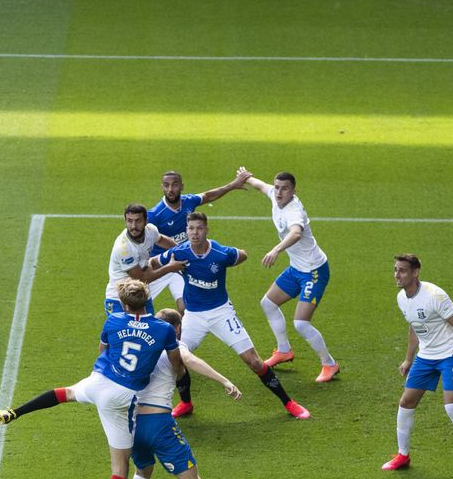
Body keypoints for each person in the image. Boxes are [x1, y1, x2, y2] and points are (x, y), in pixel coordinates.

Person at [0, 278, 183, 479]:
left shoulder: (113, 321)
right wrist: (175, 375)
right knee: (120, 467)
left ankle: (12, 412)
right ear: (146, 299)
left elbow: (103, 352)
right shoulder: (164, 329)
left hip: (98, 381)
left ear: (125, 303)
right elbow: (175, 362)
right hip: (122, 396)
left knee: (64, 393)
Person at [158, 212, 311, 420]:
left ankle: (289, 403)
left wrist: (230, 262)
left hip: (221, 313)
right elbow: (153, 264)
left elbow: (242, 254)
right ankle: (186, 403)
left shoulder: (220, 254)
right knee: (176, 360)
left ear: (207, 229)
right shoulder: (180, 252)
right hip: (193, 316)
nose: (194, 233)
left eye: (199, 228)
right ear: (186, 230)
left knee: (254, 362)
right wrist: (168, 267)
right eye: (191, 228)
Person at [123, 308, 242, 479]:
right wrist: (224, 381)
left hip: (133, 424)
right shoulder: (174, 345)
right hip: (159, 423)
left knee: (142, 471)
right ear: (177, 329)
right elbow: (190, 361)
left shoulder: (139, 343)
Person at [148, 169, 252, 418]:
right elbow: (150, 241)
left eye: (175, 185)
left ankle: (179, 353)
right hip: (166, 263)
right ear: (162, 187)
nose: (171, 189)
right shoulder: (154, 214)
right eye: (166, 185)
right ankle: (152, 348)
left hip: (186, 265)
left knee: (184, 306)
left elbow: (209, 195)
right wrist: (173, 253)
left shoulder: (190, 203)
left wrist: (234, 184)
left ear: (181, 186)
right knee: (140, 300)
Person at [384, 254, 453, 479]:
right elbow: (414, 327)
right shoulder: (402, 298)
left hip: (450, 354)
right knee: (406, 402)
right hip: (426, 356)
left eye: (402, 271)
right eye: (395, 270)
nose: (397, 275)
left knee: (452, 407)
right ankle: (402, 455)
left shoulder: (435, 296)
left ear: (415, 272)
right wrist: (409, 359)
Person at [240, 168, 339, 383]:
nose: (278, 192)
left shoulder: (294, 211)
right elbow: (260, 186)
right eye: (277, 187)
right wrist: (247, 178)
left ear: (294, 191)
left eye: (284, 189)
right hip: (297, 268)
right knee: (268, 303)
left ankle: (329, 364)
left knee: (301, 323)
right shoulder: (275, 197)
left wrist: (276, 250)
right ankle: (284, 350)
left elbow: (296, 232)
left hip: (314, 271)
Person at [103, 204, 185, 315]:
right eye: (129, 221)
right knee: (122, 332)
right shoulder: (123, 248)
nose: (133, 226)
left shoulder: (150, 230)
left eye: (138, 221)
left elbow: (161, 240)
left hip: (141, 294)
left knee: (149, 331)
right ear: (125, 221)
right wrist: (170, 268)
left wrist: (182, 250)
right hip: (118, 298)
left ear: (146, 221)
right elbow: (141, 278)